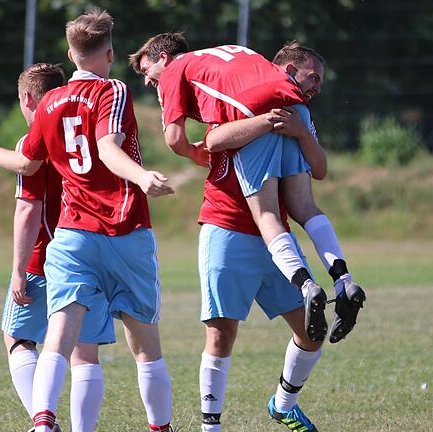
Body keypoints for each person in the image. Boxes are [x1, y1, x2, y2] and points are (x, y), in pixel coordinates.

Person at [0, 9, 175, 432]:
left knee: (59, 338)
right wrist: (141, 176)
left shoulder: (49, 101)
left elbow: (27, 163)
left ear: (70, 52)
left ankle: (43, 422)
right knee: (145, 347)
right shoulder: (113, 89)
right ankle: (161, 428)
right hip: (124, 230)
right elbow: (105, 147)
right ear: (111, 52)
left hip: (72, 236)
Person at [129, 38, 340, 432]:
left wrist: (294, 129)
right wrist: (259, 124)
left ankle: (283, 404)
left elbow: (317, 170)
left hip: (275, 239)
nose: (147, 82)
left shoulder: (281, 108)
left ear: (164, 58)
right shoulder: (224, 110)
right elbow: (212, 140)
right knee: (221, 334)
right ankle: (211, 427)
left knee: (313, 331)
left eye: (147, 71)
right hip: (226, 226)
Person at [0, 63, 117, 432]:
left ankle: (43, 422)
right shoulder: (94, 130)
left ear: (26, 98)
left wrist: (19, 269)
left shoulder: (34, 137)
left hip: (47, 255)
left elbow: (28, 208)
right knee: (85, 352)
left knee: (18, 339)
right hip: (94, 247)